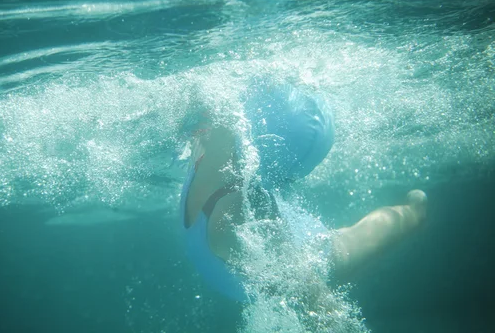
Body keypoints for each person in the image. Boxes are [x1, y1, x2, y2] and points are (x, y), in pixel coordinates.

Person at [180, 82, 428, 302]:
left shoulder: (229, 205)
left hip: (295, 259)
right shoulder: (223, 149)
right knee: (347, 246)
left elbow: (313, 294)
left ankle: (415, 212)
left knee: (342, 250)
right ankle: (414, 211)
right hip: (280, 259)